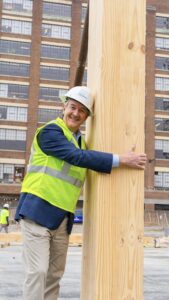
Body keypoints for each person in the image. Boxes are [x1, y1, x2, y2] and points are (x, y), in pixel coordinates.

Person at [15, 86, 147, 300]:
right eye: (73, 107)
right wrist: (121, 160)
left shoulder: (81, 142)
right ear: (64, 106)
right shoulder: (50, 132)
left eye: (82, 110)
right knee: (37, 271)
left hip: (61, 219)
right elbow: (76, 157)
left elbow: (82, 157)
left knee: (53, 276)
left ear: (87, 116)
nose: (76, 113)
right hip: (37, 212)